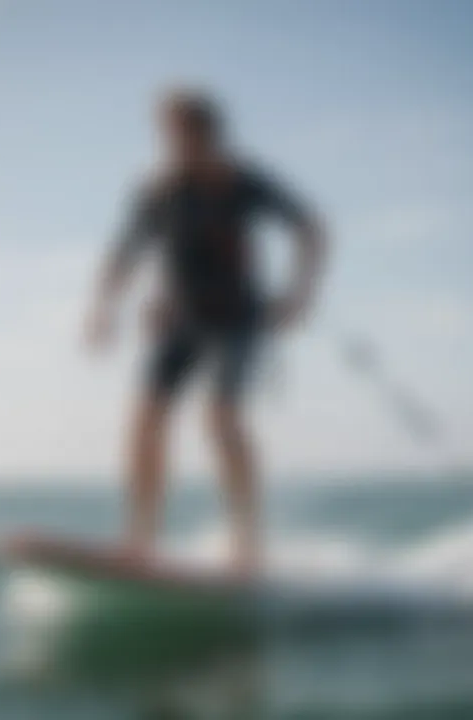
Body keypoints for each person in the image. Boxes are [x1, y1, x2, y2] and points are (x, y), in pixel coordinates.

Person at [85, 89, 327, 575]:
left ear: (206, 132)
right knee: (145, 420)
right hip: (179, 322)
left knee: (219, 419)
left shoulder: (241, 182)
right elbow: (125, 252)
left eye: (178, 132)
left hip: (236, 320)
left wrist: (299, 294)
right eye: (164, 133)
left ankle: (247, 544)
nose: (169, 142)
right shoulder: (159, 190)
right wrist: (104, 307)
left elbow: (310, 227)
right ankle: (140, 540)